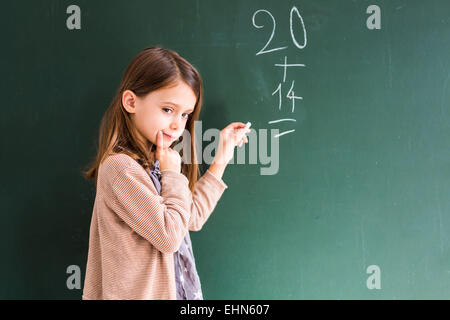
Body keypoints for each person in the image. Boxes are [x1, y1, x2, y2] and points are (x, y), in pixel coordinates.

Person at [81, 46, 250, 300]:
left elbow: (189, 218)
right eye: (168, 110)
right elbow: (169, 236)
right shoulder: (120, 168)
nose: (177, 124)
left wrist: (222, 155)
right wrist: (171, 173)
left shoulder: (155, 162)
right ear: (131, 101)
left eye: (185, 115)